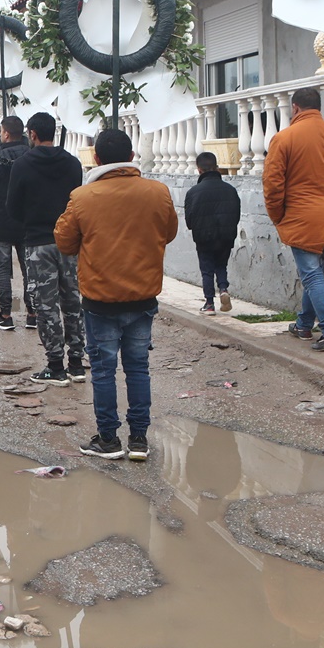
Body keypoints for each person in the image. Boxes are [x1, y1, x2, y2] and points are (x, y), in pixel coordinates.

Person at [54, 128, 177, 462]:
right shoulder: (158, 192)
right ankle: (138, 440)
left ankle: (108, 439)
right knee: (138, 368)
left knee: (104, 371)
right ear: (132, 156)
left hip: (100, 300)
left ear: (96, 158)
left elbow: (64, 243)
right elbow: (169, 232)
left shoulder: (83, 197)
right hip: (142, 297)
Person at [263, 86, 324, 352]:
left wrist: (278, 216)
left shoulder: (284, 138)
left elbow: (272, 185)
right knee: (315, 274)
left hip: (301, 216)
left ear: (295, 108)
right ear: (319, 108)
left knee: (312, 277)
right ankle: (304, 324)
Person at [7, 112, 84, 385]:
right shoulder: (73, 164)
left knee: (46, 304)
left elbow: (12, 207)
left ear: (33, 134)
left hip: (38, 242)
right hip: (70, 242)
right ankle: (77, 362)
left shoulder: (22, 165)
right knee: (73, 300)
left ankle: (55, 365)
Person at [0, 115, 33, 330]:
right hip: (27, 220)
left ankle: (6, 313)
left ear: (6, 133)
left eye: (1, 131)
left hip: (1, 220)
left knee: (2, 269)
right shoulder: (32, 157)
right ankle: (32, 312)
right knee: (29, 268)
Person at [185, 151, 241, 315]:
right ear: (216, 167)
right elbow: (236, 215)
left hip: (204, 238)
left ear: (199, 170)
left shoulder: (193, 192)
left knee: (207, 269)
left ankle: (209, 304)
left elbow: (189, 220)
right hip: (226, 236)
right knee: (221, 265)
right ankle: (223, 289)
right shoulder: (230, 190)